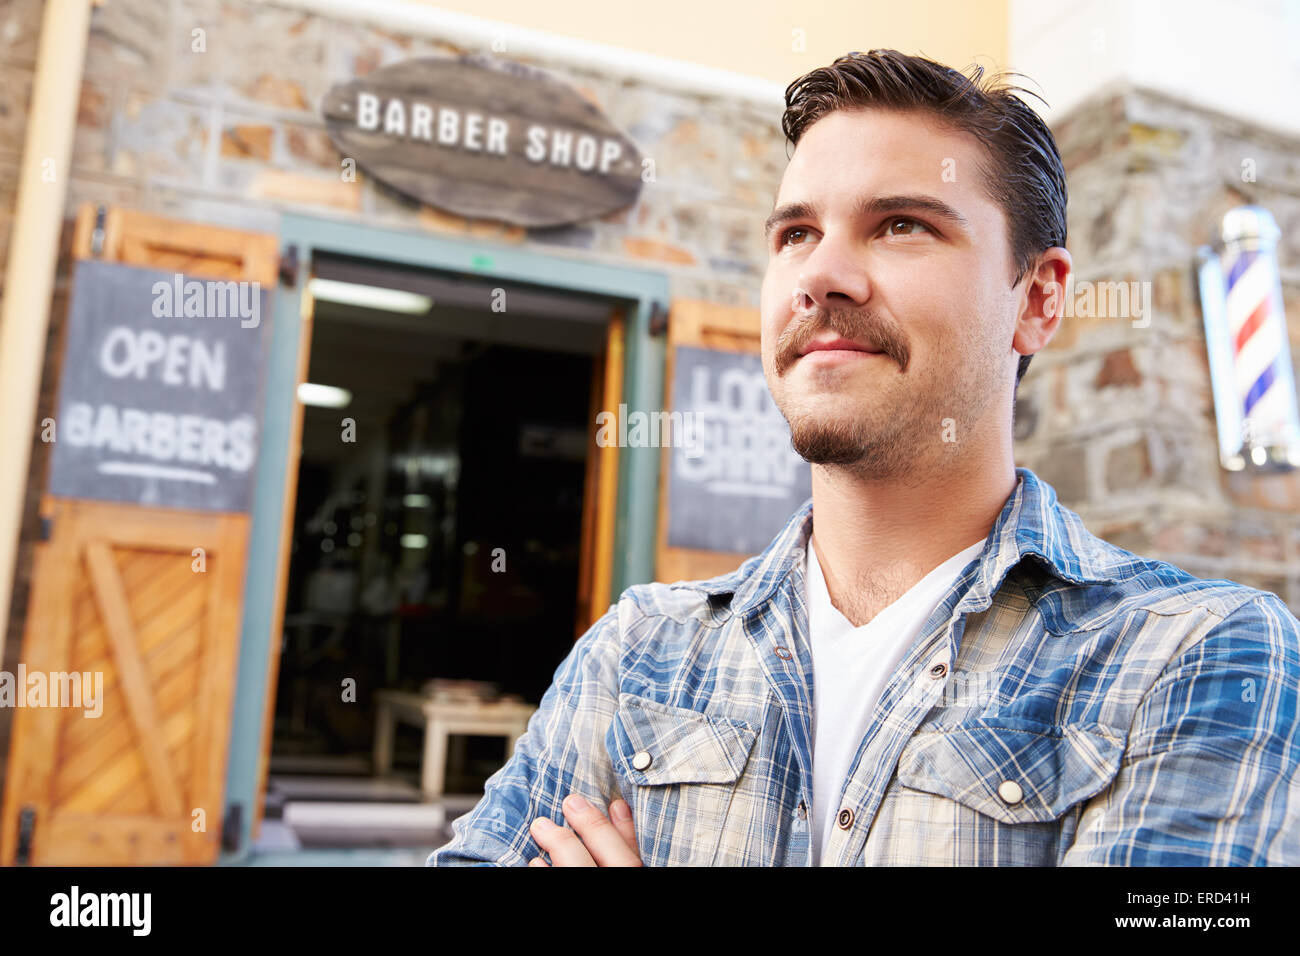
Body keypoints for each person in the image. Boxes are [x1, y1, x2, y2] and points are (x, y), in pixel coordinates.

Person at [427, 49, 1300, 867]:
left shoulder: (1191, 657)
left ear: (1037, 299)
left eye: (902, 225)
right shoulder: (637, 652)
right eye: (796, 233)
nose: (824, 274)